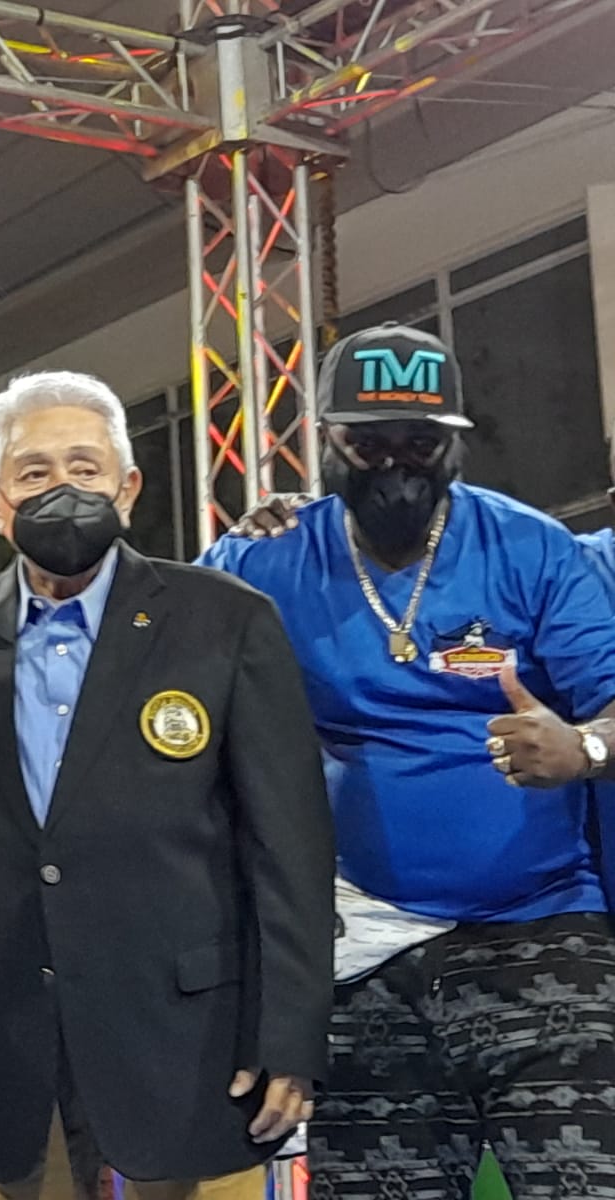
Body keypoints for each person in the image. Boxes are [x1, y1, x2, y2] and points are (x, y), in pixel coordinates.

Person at [0, 370, 335, 1200]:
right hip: (6, 1053)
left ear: (127, 488)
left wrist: (293, 1034)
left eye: (85, 469)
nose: (63, 488)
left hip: (193, 1045)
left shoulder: (225, 619)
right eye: (35, 471)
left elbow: (291, 846)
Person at [192, 322, 615, 1199]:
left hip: (538, 922)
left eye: (420, 441)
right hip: (358, 939)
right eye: (368, 441)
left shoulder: (533, 547)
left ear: (456, 442)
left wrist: (586, 746)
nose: (395, 463)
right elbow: (148, 658)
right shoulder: (263, 559)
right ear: (326, 440)